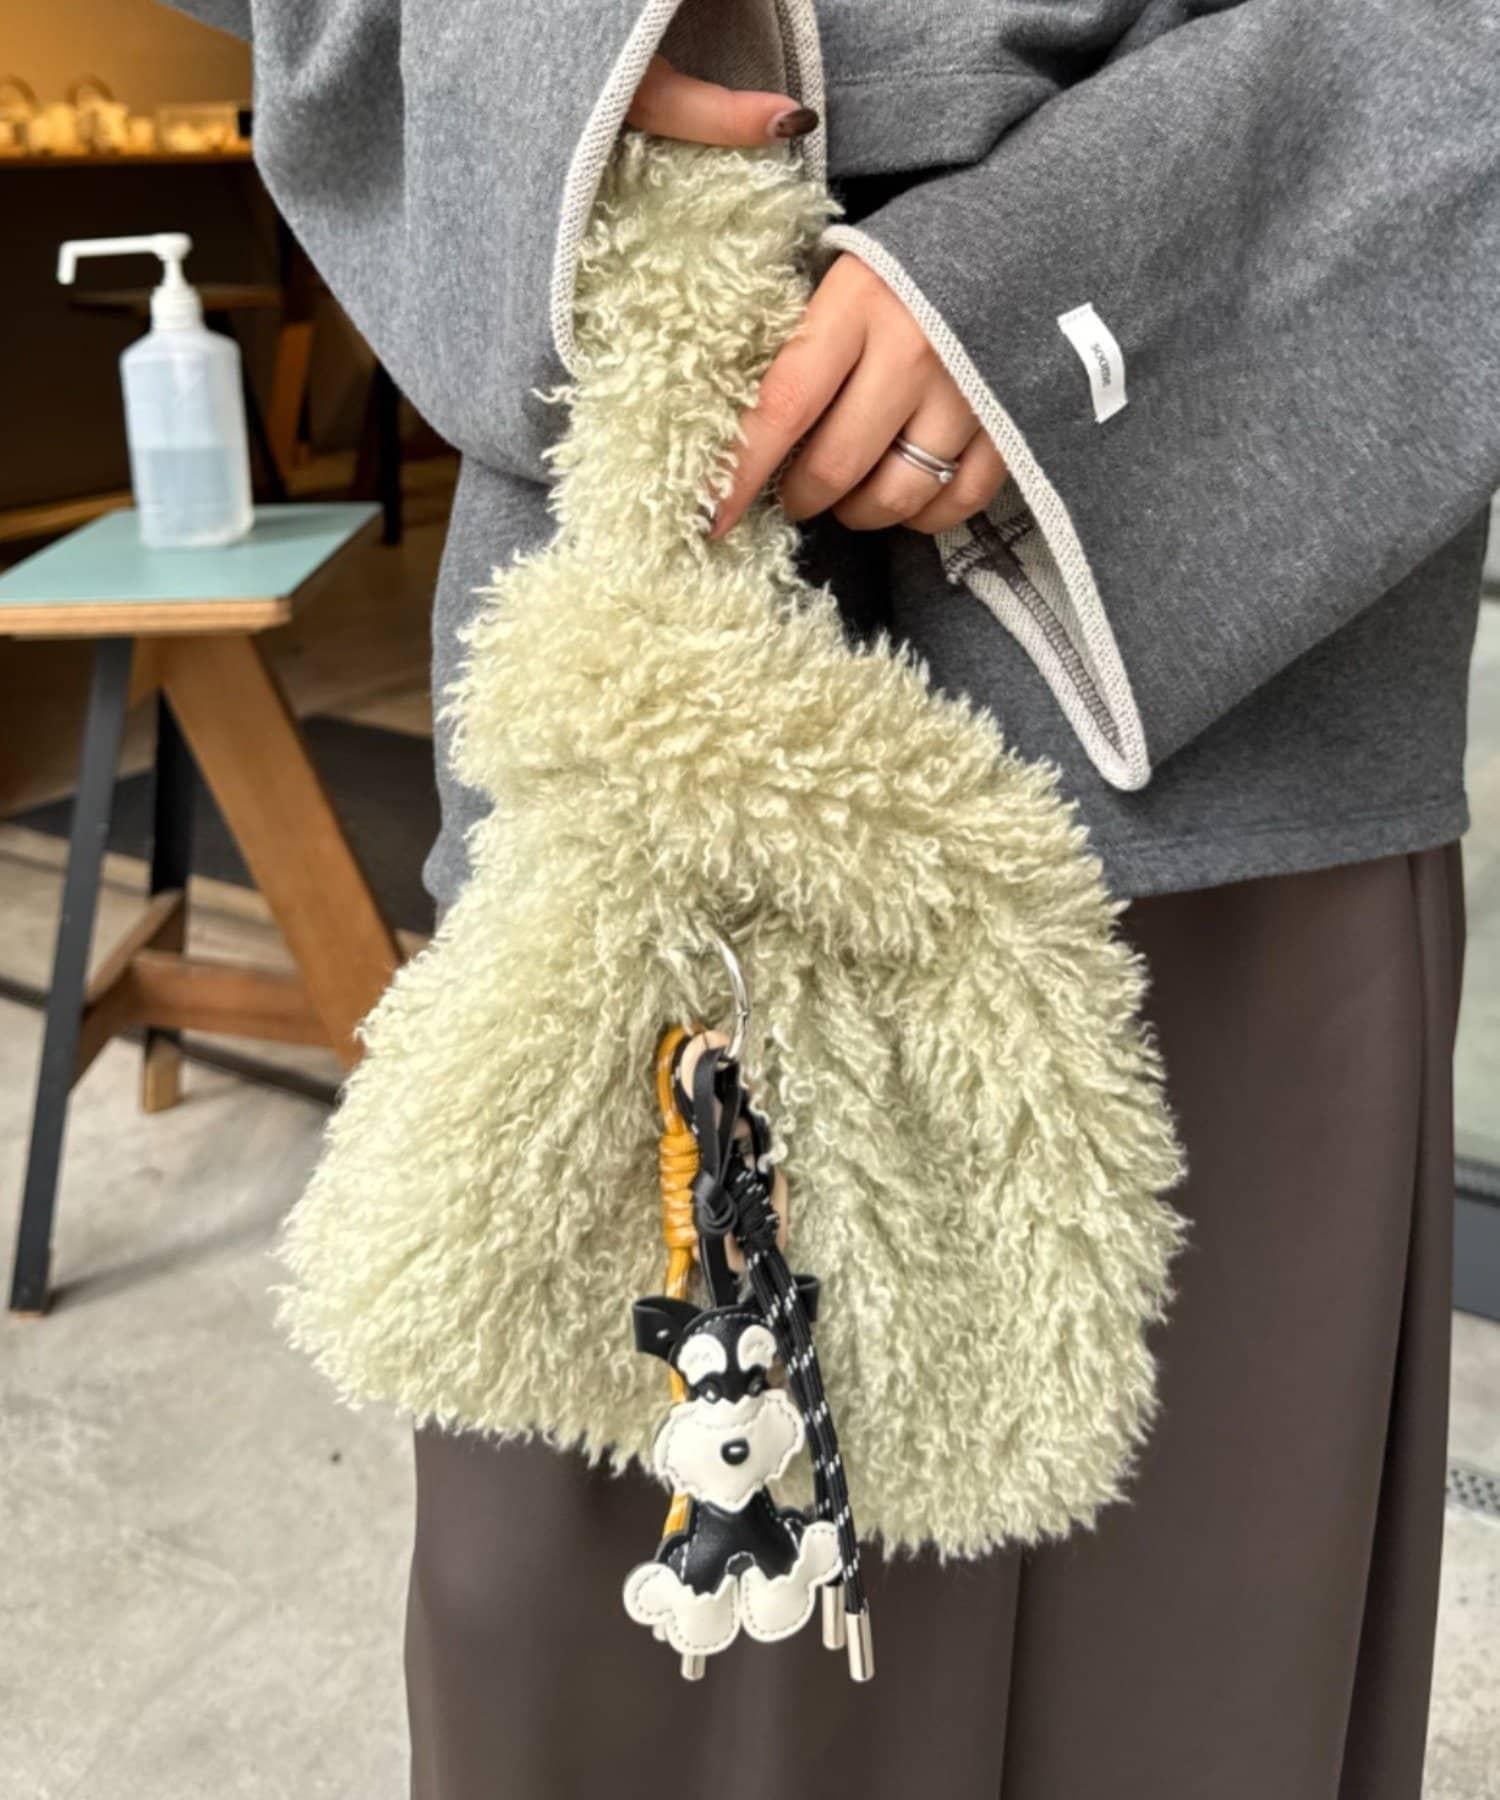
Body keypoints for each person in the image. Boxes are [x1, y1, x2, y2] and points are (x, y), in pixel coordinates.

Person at [169, 4, 1498, 1794]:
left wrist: (1099, 266)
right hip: (650, 649)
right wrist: (524, 53)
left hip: (1241, 617)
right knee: (603, 1690)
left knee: (1198, 1681)